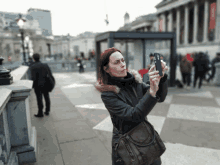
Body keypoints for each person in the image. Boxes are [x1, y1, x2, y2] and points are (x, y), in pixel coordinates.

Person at [95, 47, 168, 165]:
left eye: (123, 60)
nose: (123, 64)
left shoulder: (135, 82)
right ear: (106, 69)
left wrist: (161, 78)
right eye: (117, 62)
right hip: (127, 145)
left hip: (146, 137)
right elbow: (133, 116)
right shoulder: (108, 94)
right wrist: (152, 91)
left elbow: (160, 97)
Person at [30, 53, 52, 117]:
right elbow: (50, 74)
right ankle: (47, 111)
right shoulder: (45, 65)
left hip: (37, 85)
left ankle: (40, 113)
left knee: (39, 99)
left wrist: (32, 86)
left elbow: (33, 78)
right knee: (47, 97)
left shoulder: (33, 67)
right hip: (45, 84)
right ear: (39, 58)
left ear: (33, 58)